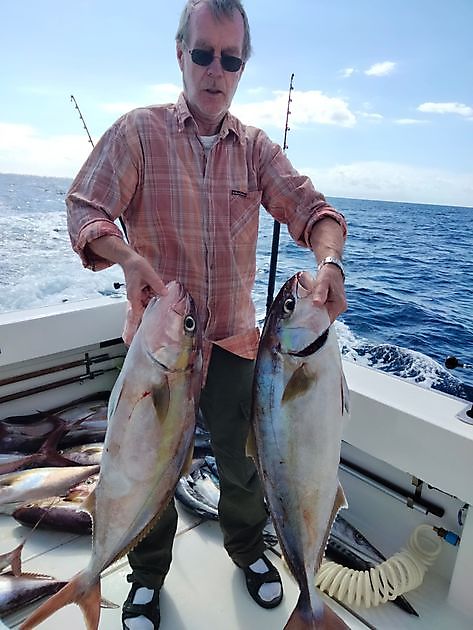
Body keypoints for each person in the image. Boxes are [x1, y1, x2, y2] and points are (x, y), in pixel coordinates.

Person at [66, 1, 347, 628]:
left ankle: (248, 550)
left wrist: (329, 263)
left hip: (234, 345)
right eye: (203, 54)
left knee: (244, 464)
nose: (215, 70)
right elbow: (85, 208)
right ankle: (145, 575)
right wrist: (126, 258)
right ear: (180, 54)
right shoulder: (137, 133)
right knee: (149, 466)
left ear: (242, 66)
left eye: (231, 59)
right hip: (160, 351)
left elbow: (315, 212)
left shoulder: (256, 150)